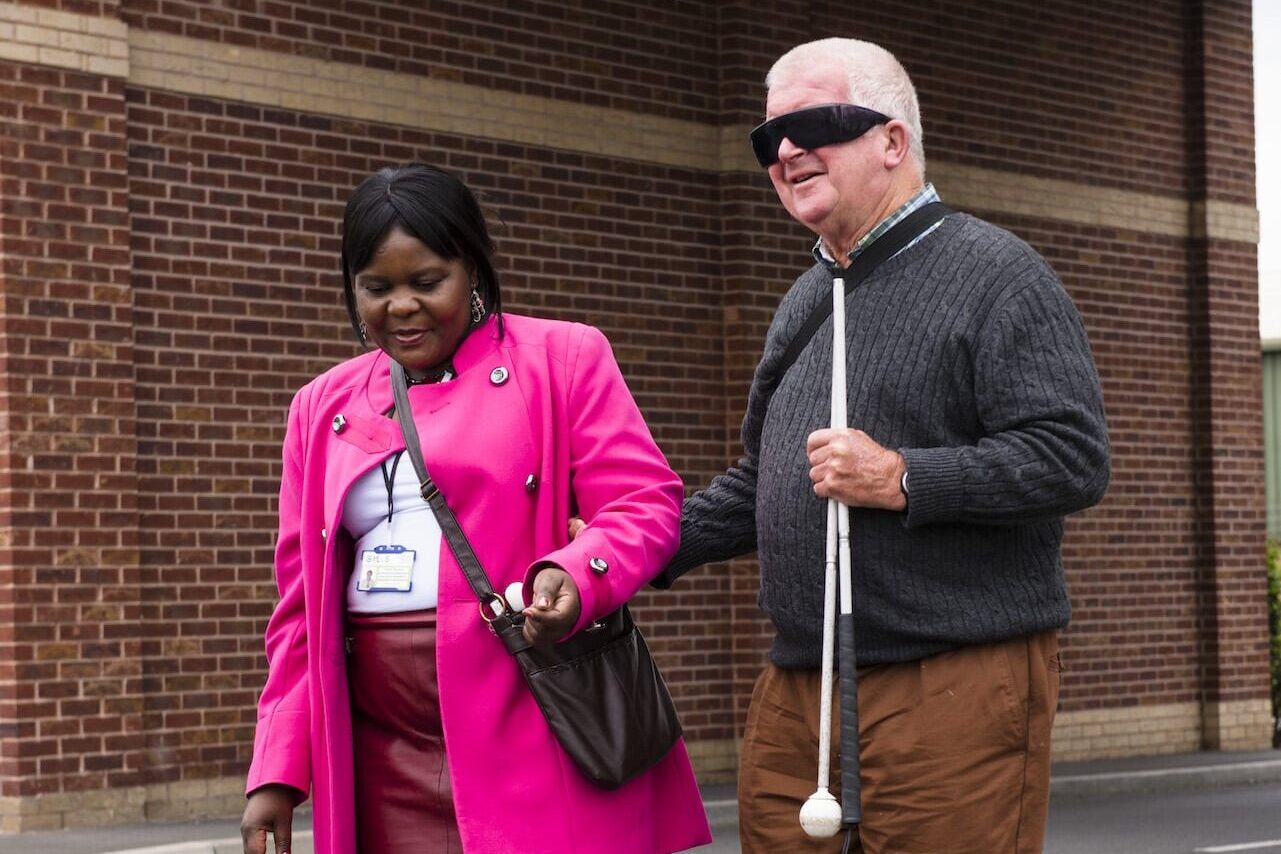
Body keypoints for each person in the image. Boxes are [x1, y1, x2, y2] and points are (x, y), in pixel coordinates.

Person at [657, 38, 1111, 854]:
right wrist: (631, 552)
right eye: (769, 138)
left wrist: (904, 478)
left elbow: (1070, 457)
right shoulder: (804, 298)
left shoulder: (998, 275)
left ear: (892, 141)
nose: (786, 150)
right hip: (800, 687)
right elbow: (766, 484)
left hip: (950, 685)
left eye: (814, 123)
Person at [240, 163, 711, 854]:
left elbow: (644, 503)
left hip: (527, 715)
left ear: (474, 268)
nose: (401, 307)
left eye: (427, 281)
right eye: (376, 288)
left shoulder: (563, 358)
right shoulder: (320, 406)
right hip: (376, 747)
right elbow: (299, 612)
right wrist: (275, 773)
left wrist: (577, 574)